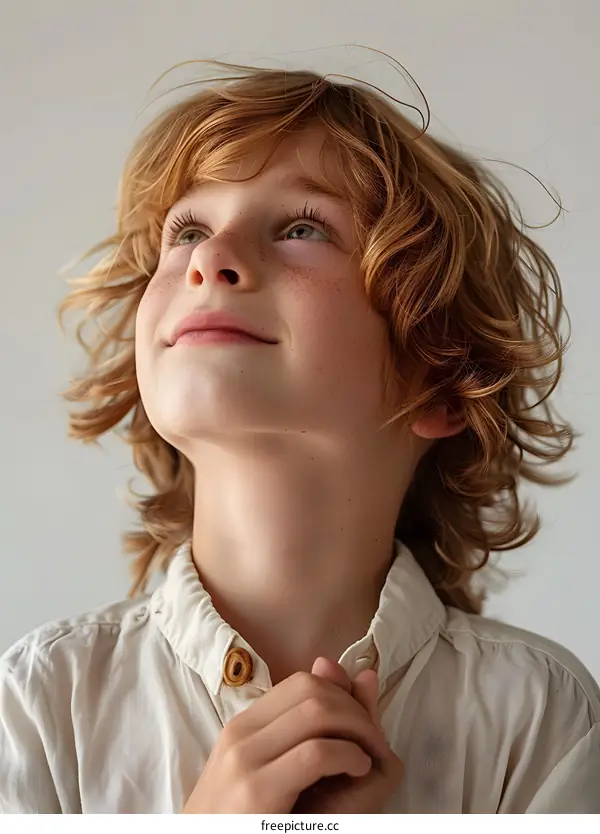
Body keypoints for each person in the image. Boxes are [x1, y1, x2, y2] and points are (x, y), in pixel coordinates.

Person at [1, 60, 599, 815]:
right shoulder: (37, 707)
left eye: (301, 228)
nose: (208, 262)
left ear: (442, 378)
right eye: (186, 231)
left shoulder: (542, 723)